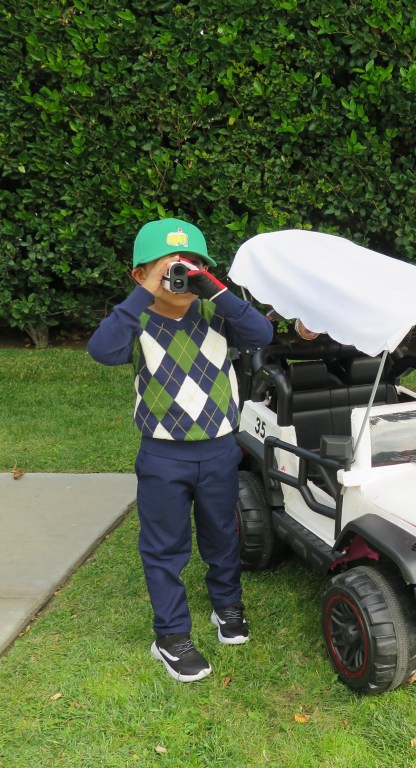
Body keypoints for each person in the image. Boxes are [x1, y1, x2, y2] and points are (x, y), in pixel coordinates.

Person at [87, 218, 273, 682]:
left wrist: (216, 290)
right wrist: (143, 294)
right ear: (140, 274)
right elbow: (103, 351)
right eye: (169, 268)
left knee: (221, 533)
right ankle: (170, 635)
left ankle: (227, 605)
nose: (181, 275)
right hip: (163, 455)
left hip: (219, 449)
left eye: (192, 266)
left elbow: (261, 336)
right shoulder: (136, 319)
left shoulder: (217, 313)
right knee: (164, 546)